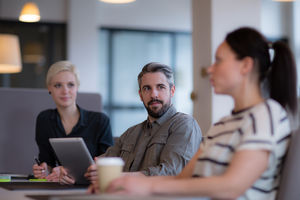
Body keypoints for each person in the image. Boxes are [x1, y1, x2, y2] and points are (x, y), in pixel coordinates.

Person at [105, 27, 298, 199]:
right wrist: (125, 184)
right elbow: (180, 180)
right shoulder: (222, 125)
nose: (210, 69)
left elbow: (231, 187)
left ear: (246, 65)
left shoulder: (267, 115)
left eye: (219, 61)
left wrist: (145, 185)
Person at [85, 62, 202, 187]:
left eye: (160, 87)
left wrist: (116, 176)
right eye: (147, 88)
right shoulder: (131, 133)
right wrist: (76, 171)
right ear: (140, 95)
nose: (153, 95)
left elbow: (172, 173)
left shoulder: (185, 125)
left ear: (172, 91)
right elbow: (102, 163)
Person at [32, 61, 113, 184]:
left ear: (77, 87)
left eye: (70, 85)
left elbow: (108, 166)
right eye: (58, 85)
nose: (65, 91)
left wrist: (68, 170)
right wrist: (44, 171)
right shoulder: (44, 119)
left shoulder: (100, 121)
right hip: (60, 187)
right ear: (49, 88)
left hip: (93, 188)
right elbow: (47, 163)